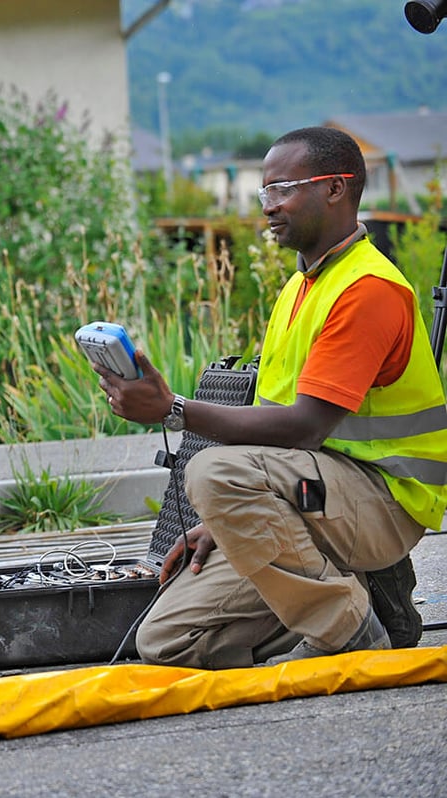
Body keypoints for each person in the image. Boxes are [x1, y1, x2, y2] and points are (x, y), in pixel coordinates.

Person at [95, 126, 447, 669]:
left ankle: (349, 629)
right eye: (265, 193)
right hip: (312, 498)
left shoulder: (367, 289)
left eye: (282, 189)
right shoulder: (299, 289)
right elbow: (271, 421)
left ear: (335, 187)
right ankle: (366, 603)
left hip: (382, 504)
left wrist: (173, 409)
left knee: (213, 473)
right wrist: (229, 521)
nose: (268, 207)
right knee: (166, 641)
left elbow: (304, 428)